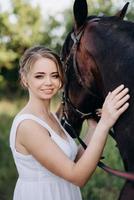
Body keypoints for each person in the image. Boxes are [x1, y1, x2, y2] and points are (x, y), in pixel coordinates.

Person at [9, 45, 130, 200]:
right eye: (39, 76)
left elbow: (72, 161)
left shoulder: (51, 117)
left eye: (54, 75)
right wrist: (105, 122)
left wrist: (94, 127)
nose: (49, 82)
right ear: (25, 79)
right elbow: (77, 176)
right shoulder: (28, 126)